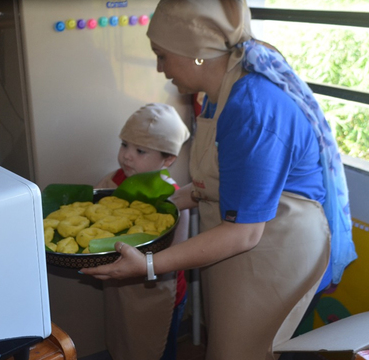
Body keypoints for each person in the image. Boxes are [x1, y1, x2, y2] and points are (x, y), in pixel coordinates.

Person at [81, 1, 357, 359]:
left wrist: (147, 265)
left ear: (196, 54)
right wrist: (157, 203)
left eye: (162, 56)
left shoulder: (252, 107)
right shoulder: (217, 94)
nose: (160, 69)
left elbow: (244, 232)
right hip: (241, 237)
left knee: (245, 351)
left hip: (276, 245)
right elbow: (216, 181)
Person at [96, 103, 190, 360]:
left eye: (140, 151)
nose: (127, 156)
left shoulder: (173, 197)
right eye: (124, 145)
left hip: (160, 293)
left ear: (168, 159)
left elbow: (178, 252)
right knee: (125, 341)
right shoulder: (112, 182)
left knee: (157, 349)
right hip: (121, 290)